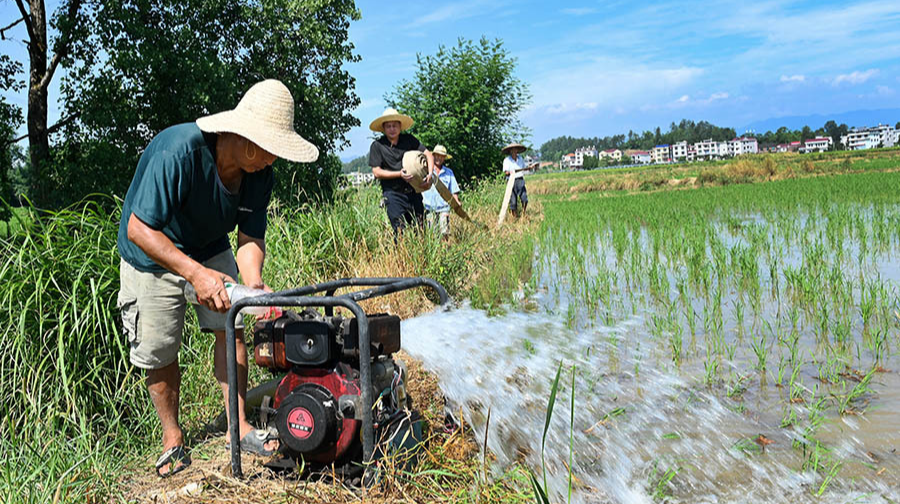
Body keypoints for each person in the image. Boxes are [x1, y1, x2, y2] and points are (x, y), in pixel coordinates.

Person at [116, 80, 319, 477]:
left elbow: (250, 237)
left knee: (233, 326)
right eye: (270, 149)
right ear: (245, 139)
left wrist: (253, 284)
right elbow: (141, 228)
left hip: (208, 243)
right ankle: (172, 440)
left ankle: (237, 426)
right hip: (151, 251)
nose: (273, 160)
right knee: (159, 348)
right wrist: (194, 273)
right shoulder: (180, 150)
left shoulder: (258, 173)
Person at [368, 108, 435, 233]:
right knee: (399, 230)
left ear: (400, 126)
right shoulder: (377, 146)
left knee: (421, 229)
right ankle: (400, 252)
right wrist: (399, 174)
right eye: (388, 126)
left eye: (394, 125)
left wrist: (430, 174)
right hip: (393, 194)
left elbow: (428, 154)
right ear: (383, 128)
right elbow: (376, 172)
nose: (392, 129)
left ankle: (422, 252)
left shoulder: (409, 140)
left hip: (413, 191)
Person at [422, 144, 462, 236]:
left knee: (445, 233)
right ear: (433, 156)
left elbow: (454, 190)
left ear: (444, 158)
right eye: (437, 155)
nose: (439, 158)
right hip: (429, 206)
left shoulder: (448, 172)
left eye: (441, 156)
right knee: (431, 233)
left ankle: (445, 249)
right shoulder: (426, 170)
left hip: (444, 207)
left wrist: (456, 202)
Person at [502, 142, 532, 217]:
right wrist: (510, 172)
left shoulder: (520, 159)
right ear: (510, 151)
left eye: (516, 150)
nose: (514, 151)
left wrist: (529, 168)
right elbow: (506, 172)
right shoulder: (507, 160)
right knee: (513, 201)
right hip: (511, 180)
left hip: (520, 180)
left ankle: (523, 214)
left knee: (524, 198)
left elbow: (523, 168)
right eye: (513, 150)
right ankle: (514, 216)